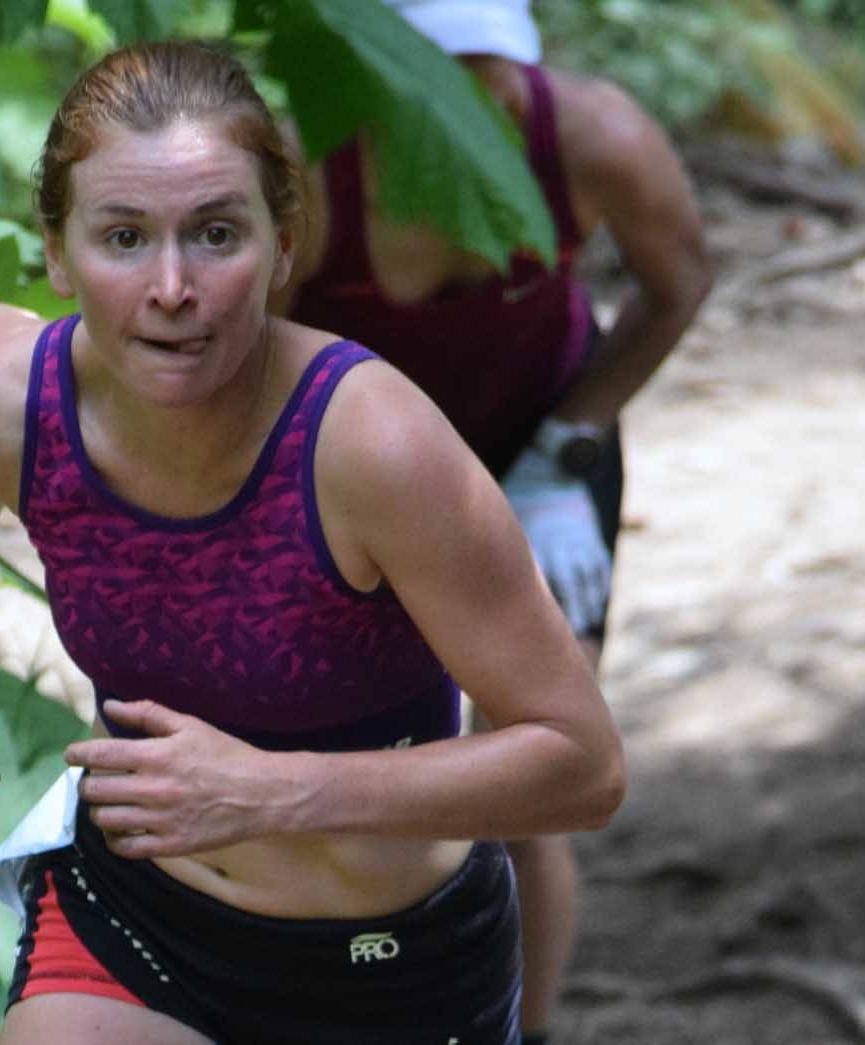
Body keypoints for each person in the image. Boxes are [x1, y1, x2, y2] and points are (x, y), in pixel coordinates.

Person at [0, 39, 625, 1045]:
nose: (173, 286)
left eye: (216, 234)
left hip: (393, 970)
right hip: (136, 927)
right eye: (124, 237)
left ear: (283, 249)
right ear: (56, 251)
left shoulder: (373, 445)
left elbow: (582, 766)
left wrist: (274, 791)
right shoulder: (1, 389)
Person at [276, 3, 711, 1041]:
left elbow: (680, 279)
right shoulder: (309, 167)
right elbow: (255, 351)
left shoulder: (594, 137)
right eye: (455, 66)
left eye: (503, 62)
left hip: (542, 454)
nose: (495, 94)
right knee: (353, 760)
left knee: (529, 770)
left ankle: (530, 1029)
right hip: (355, 478)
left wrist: (567, 448)